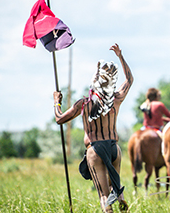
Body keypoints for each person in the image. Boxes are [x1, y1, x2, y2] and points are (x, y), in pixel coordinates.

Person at [53, 43, 133, 213]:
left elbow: (59, 119)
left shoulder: (83, 104)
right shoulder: (116, 99)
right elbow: (129, 80)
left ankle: (111, 203)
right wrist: (120, 56)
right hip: (113, 148)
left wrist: (56, 101)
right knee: (114, 184)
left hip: (95, 149)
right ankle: (120, 196)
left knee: (104, 196)